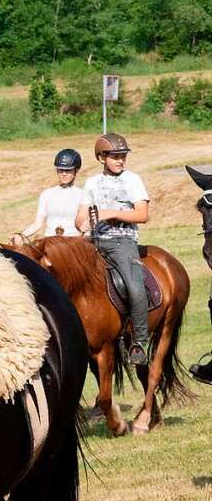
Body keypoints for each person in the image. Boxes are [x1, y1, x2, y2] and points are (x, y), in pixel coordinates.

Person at [75, 133, 150, 366]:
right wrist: (84, 223)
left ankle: (139, 342)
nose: (120, 161)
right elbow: (79, 218)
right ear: (101, 157)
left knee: (135, 288)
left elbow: (143, 215)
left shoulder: (133, 180)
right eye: (115, 156)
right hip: (93, 242)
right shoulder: (91, 183)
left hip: (123, 242)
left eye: (123, 156)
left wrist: (112, 213)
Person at [11, 149, 86, 243]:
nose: (63, 174)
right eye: (60, 170)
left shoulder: (83, 195)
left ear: (76, 170)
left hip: (72, 243)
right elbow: (37, 224)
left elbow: (86, 227)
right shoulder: (47, 194)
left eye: (68, 170)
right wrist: (21, 235)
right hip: (49, 243)